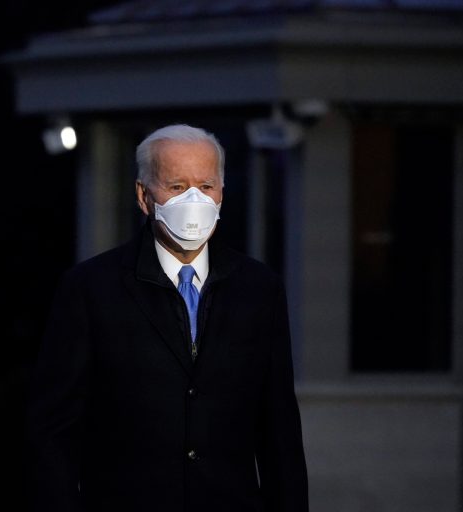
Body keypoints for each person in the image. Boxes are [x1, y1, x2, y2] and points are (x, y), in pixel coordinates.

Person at [25, 124, 308, 512]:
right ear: (144, 196)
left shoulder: (258, 289)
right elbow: (52, 431)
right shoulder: (91, 289)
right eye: (177, 187)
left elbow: (280, 431)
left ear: (222, 193)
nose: (195, 199)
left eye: (206, 186)